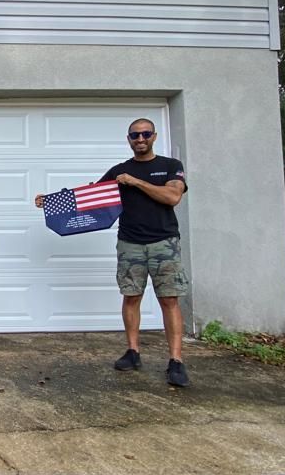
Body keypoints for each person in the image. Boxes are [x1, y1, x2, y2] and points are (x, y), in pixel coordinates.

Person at [34, 118, 190, 387]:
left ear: (154, 136)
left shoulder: (169, 166)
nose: (140, 139)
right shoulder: (119, 170)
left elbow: (172, 197)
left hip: (165, 243)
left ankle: (176, 361)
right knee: (131, 297)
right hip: (130, 242)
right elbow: (92, 195)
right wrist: (50, 203)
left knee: (169, 300)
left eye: (145, 134)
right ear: (128, 139)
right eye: (134, 135)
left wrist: (136, 182)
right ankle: (132, 352)